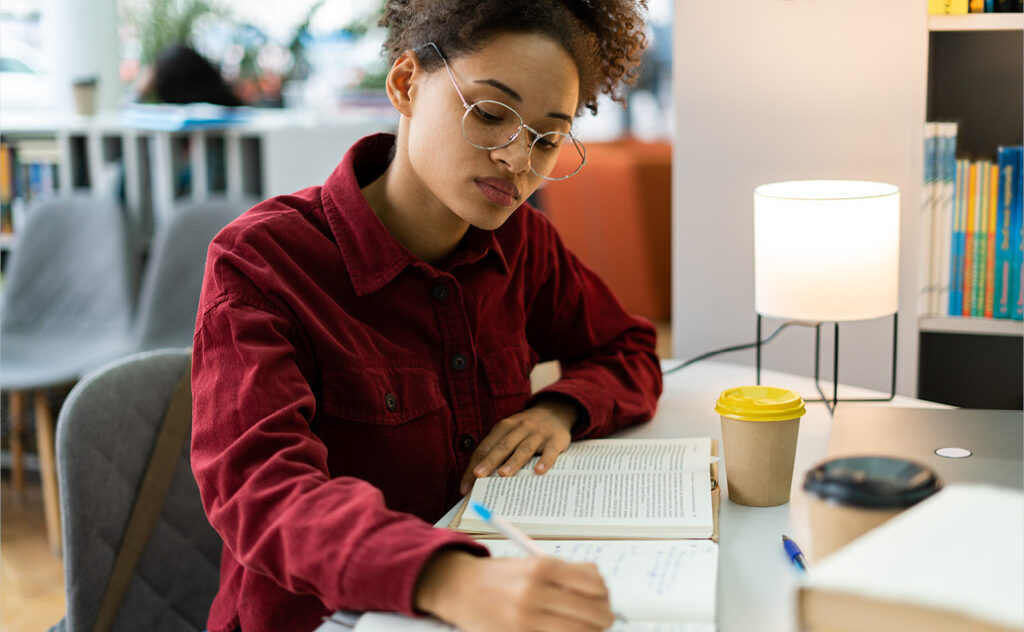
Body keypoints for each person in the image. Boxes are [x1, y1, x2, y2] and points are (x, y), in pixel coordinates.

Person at [190, 2, 660, 631]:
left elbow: (627, 347)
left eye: (548, 137)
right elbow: (263, 493)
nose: (519, 160)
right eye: (491, 114)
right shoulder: (263, 264)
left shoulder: (524, 245)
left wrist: (560, 408)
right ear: (406, 84)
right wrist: (447, 577)